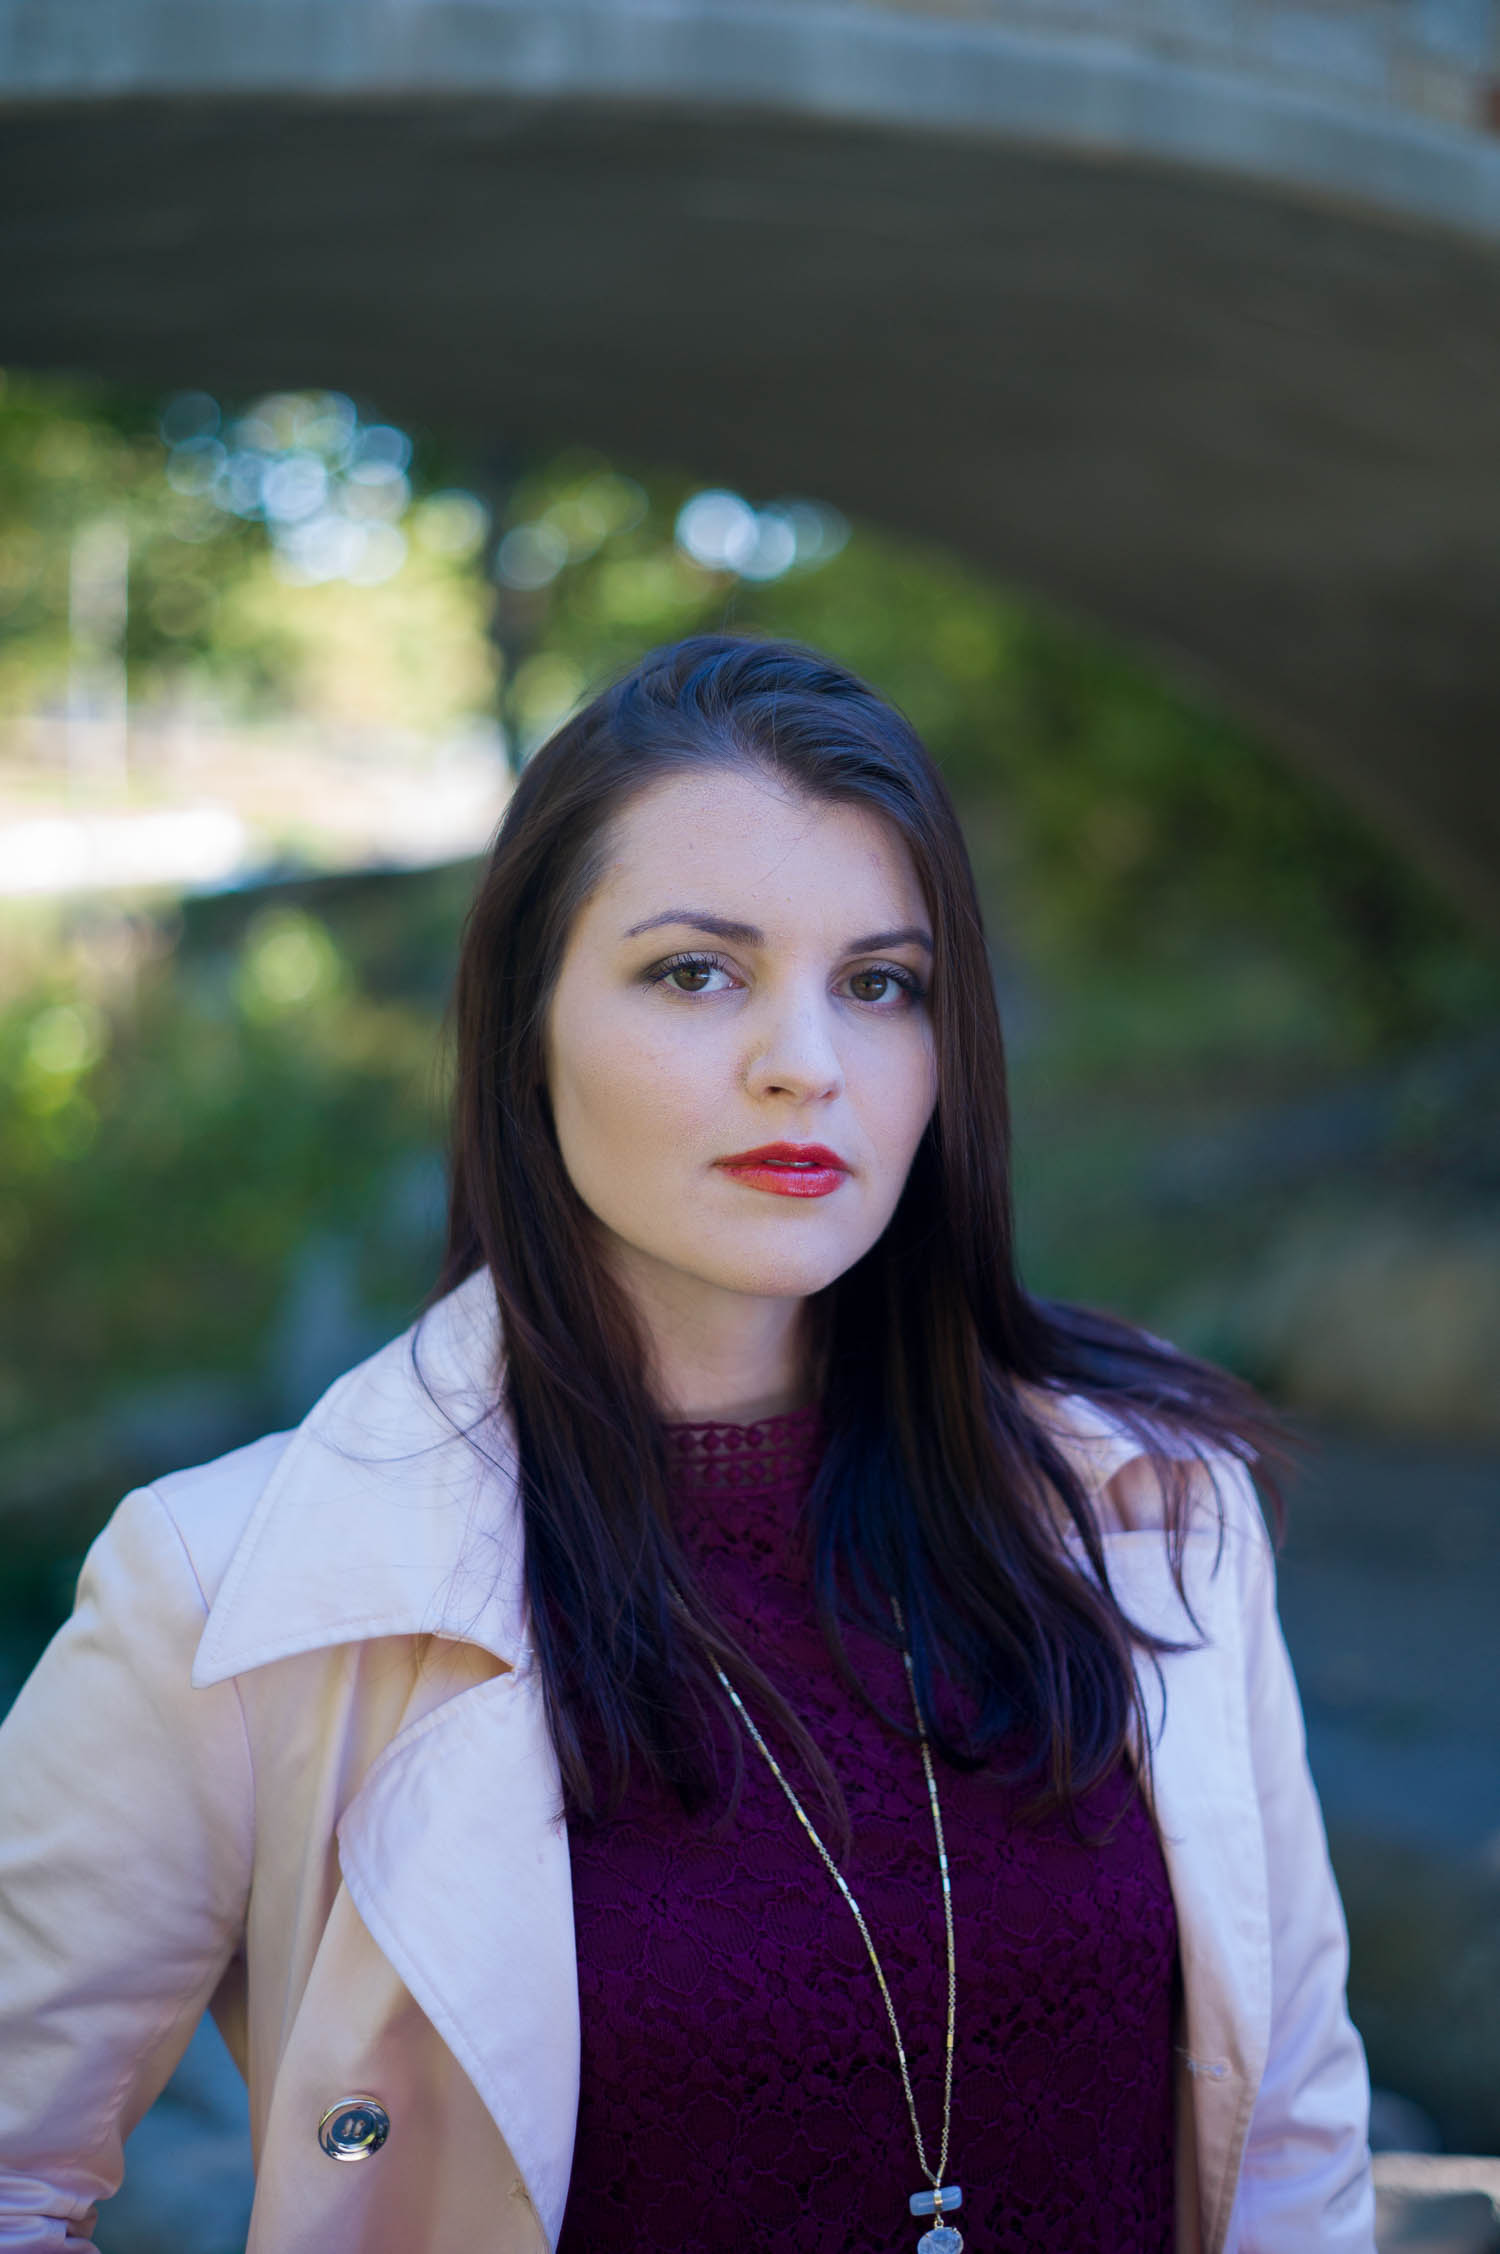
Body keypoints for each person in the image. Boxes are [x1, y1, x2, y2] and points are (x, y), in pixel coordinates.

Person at [0, 633, 1374, 2254]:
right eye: (694, 970)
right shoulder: (230, 1590)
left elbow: (1292, 2147)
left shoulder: (1147, 1510)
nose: (807, 1060)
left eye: (881, 983)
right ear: (528, 1026)